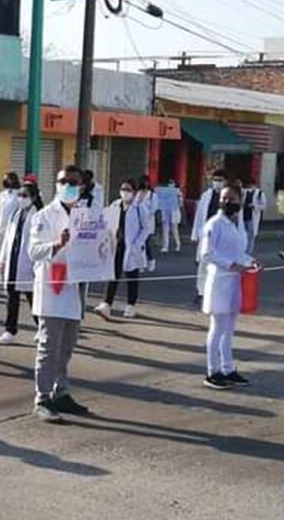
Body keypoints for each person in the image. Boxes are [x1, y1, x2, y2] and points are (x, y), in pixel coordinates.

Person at [29, 166, 93, 423]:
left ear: (82, 186)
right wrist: (57, 244)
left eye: (73, 182)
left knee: (67, 346)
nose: (67, 185)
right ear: (55, 184)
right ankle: (42, 398)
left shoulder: (86, 216)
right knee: (49, 347)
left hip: (74, 288)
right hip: (52, 286)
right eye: (63, 181)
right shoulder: (44, 216)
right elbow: (33, 251)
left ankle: (61, 392)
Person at [200, 184, 258, 390]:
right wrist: (231, 265)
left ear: (240, 201)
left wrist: (250, 261)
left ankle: (228, 368)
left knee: (229, 330)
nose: (226, 202)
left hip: (235, 283)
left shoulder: (235, 224)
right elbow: (207, 254)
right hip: (220, 281)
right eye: (224, 198)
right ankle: (212, 371)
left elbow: (237, 252)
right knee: (217, 329)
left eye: (231, 199)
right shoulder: (214, 224)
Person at [0, 182, 41, 345]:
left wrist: (37, 264)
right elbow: (8, 238)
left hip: (29, 262)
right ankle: (10, 330)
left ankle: (42, 327)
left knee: (33, 298)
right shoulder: (16, 213)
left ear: (33, 198)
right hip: (13, 260)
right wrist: (2, 259)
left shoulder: (38, 216)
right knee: (12, 297)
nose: (21, 198)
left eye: (25, 195)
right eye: (19, 195)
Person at [94, 179, 148, 319]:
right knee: (113, 274)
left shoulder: (139, 208)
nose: (125, 192)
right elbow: (107, 221)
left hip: (132, 246)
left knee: (132, 277)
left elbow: (146, 228)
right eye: (123, 189)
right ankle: (107, 304)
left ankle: (130, 305)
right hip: (117, 245)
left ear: (134, 192)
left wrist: (137, 244)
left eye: (128, 190)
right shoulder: (115, 205)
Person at [192, 170, 230, 303]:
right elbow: (199, 215)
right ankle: (201, 292)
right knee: (203, 265)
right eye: (215, 179)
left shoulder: (229, 197)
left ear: (225, 181)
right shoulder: (206, 195)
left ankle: (216, 293)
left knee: (219, 266)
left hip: (222, 236)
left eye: (220, 180)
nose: (217, 182)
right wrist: (196, 234)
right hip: (207, 234)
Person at [0, 172, 21, 256]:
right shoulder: (3, 194)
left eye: (7, 179)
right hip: (0, 226)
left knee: (8, 251)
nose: (5, 181)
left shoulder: (19, 194)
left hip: (12, 226)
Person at [241, 178, 267, 254]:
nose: (250, 187)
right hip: (244, 216)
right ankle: (243, 251)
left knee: (250, 236)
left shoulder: (260, 193)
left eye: (251, 185)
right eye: (248, 186)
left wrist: (254, 206)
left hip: (252, 218)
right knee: (243, 235)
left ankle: (248, 252)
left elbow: (264, 206)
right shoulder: (244, 192)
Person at [159, 179, 184, 253]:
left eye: (172, 183)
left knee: (174, 230)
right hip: (166, 212)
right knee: (165, 230)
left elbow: (181, 203)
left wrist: (178, 200)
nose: (170, 185)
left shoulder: (178, 192)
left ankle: (178, 245)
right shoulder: (165, 192)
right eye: (169, 183)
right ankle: (165, 246)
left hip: (174, 212)